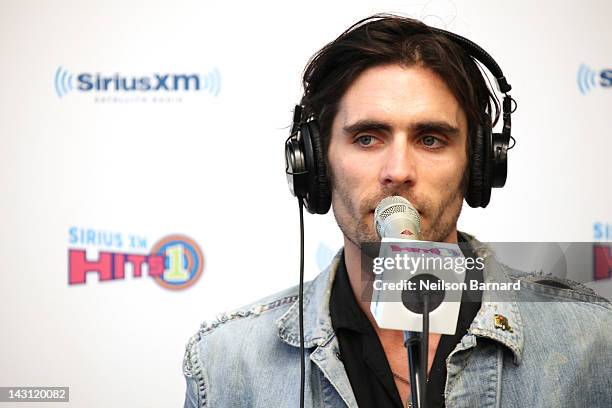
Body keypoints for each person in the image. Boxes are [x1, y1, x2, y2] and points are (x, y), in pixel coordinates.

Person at [182, 15, 612, 407]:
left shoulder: (594, 344)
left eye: (430, 139)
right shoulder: (227, 364)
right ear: (315, 164)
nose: (398, 171)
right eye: (367, 138)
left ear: (478, 167)